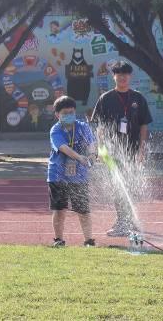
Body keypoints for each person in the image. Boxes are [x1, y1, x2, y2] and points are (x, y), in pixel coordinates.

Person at [91, 60, 153, 237]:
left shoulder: (138, 98)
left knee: (130, 186)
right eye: (119, 74)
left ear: (130, 76)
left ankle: (129, 221)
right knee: (117, 187)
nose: (123, 77)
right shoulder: (105, 99)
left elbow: (143, 126)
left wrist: (142, 149)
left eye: (126, 74)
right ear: (114, 77)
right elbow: (100, 127)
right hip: (111, 153)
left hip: (133, 151)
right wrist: (101, 149)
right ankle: (121, 222)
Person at [48, 95, 97, 248]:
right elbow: (63, 148)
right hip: (57, 175)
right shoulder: (55, 130)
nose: (69, 115)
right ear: (57, 114)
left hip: (79, 176)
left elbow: (92, 143)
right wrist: (80, 157)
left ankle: (89, 241)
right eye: (65, 113)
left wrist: (92, 154)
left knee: (83, 210)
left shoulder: (83, 126)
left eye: (71, 112)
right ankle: (58, 240)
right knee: (60, 209)